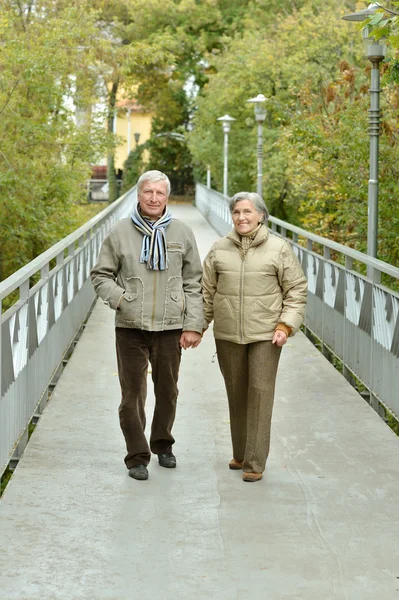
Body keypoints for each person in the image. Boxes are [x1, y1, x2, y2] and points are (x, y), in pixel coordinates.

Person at [91, 170, 203, 481]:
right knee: (132, 395)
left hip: (170, 326)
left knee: (167, 391)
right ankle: (137, 456)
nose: (154, 198)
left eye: (160, 193)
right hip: (130, 327)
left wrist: (193, 324)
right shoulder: (119, 233)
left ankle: (163, 444)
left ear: (168, 197)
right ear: (138, 195)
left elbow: (195, 282)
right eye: (148, 192)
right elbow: (100, 275)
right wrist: (121, 299)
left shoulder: (182, 233)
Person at [202, 192, 307, 482]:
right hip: (227, 334)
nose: (242, 217)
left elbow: (296, 290)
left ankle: (255, 461)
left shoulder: (278, 248)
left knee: (260, 393)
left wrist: (285, 326)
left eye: (248, 212)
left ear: (261, 215)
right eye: (236, 212)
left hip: (266, 334)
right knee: (236, 394)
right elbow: (206, 292)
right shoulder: (219, 248)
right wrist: (197, 326)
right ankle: (240, 453)